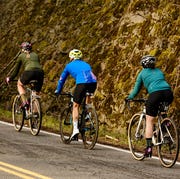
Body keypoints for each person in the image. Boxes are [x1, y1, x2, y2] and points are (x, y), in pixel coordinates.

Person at [127, 55, 173, 157]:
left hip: (155, 95)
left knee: (149, 120)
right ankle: (165, 125)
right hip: (168, 93)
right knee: (162, 110)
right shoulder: (159, 71)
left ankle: (148, 148)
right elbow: (160, 83)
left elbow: (136, 89)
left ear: (143, 64)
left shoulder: (142, 73)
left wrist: (130, 97)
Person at [55, 49, 97, 139]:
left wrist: (58, 91)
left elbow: (62, 79)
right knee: (87, 96)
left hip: (82, 83)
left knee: (75, 105)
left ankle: (75, 130)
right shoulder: (86, 64)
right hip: (93, 82)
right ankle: (87, 113)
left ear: (72, 57)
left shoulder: (69, 65)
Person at [6, 42, 44, 109]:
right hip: (40, 73)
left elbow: (16, 71)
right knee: (35, 93)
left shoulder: (21, 56)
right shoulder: (35, 55)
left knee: (19, 84)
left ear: (23, 49)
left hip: (29, 72)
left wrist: (10, 78)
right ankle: (35, 113)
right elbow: (36, 66)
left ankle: (25, 102)